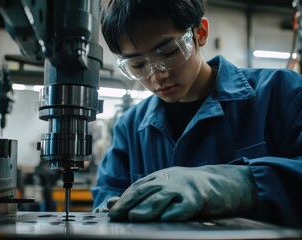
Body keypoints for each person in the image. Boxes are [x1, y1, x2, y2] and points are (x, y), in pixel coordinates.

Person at [92, 0, 302, 228]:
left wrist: (242, 184)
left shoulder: (281, 93)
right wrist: (116, 207)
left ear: (200, 33)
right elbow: (108, 193)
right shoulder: (130, 128)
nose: (157, 75)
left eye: (169, 52)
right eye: (138, 65)